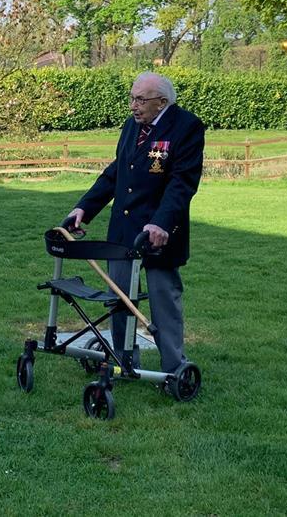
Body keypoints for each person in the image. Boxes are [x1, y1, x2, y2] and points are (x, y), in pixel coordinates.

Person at [68, 72, 204, 374]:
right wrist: (84, 208)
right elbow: (116, 172)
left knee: (163, 300)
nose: (133, 105)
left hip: (159, 233)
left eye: (140, 99)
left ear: (162, 102)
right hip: (123, 231)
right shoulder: (133, 125)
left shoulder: (187, 127)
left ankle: (173, 369)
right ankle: (124, 361)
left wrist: (161, 223)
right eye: (131, 97)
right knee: (120, 301)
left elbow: (182, 182)